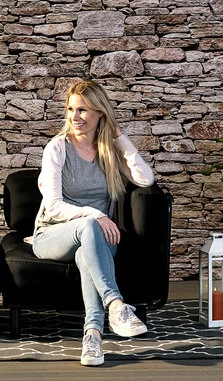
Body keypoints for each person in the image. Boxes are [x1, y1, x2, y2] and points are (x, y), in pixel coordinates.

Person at [31, 80, 155, 366]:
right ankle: (116, 304)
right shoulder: (57, 148)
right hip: (52, 235)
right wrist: (95, 214)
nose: (75, 117)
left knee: (85, 251)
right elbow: (54, 207)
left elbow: (145, 179)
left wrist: (119, 136)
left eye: (83, 110)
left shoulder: (108, 151)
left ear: (100, 113)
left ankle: (93, 337)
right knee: (88, 226)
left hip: (98, 240)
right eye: (70, 109)